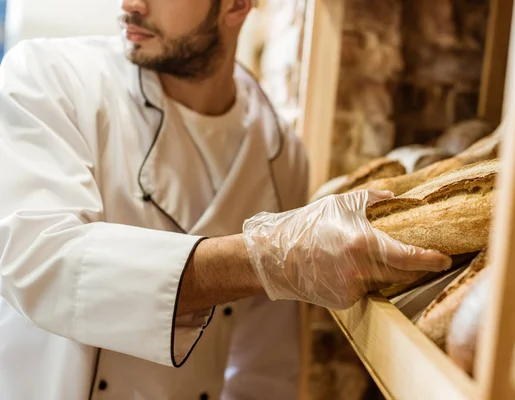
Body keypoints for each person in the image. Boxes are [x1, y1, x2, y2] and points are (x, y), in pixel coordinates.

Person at [0, 0, 451, 399]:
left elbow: (263, 368)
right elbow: (39, 260)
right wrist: (261, 258)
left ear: (236, 5)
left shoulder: (281, 154)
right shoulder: (47, 76)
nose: (130, 4)